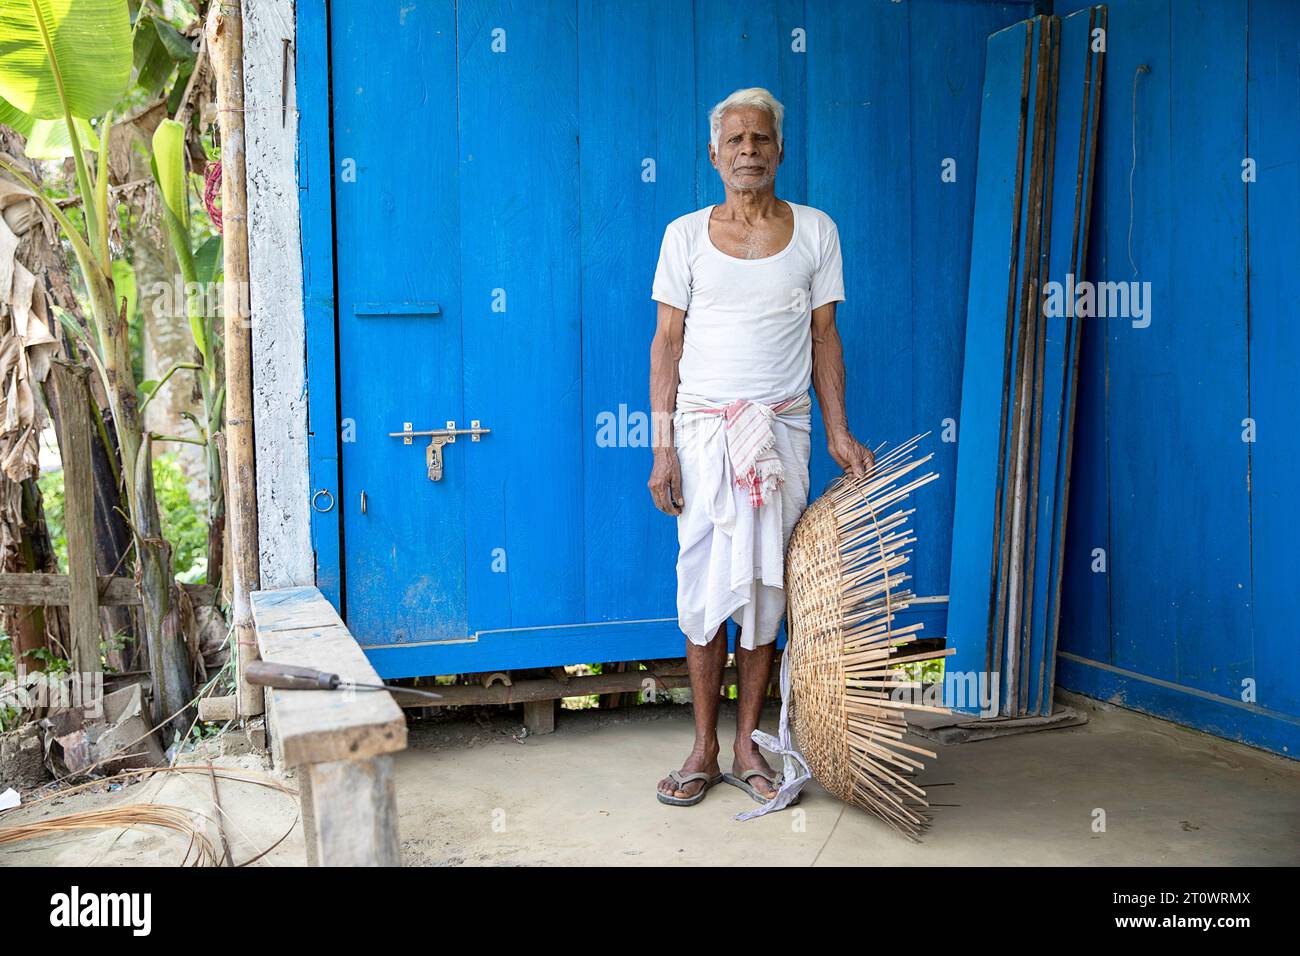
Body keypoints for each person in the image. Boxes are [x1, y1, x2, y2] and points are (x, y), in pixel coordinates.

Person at [647, 87, 873, 808]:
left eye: (761, 140)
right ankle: (703, 746)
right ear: (714, 156)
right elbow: (667, 343)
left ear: (781, 151)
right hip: (705, 434)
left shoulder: (815, 232)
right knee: (704, 590)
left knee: (766, 592)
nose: (748, 151)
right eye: (735, 140)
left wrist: (838, 430)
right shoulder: (684, 235)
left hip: (780, 434)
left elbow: (824, 337)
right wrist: (662, 449)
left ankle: (748, 745)